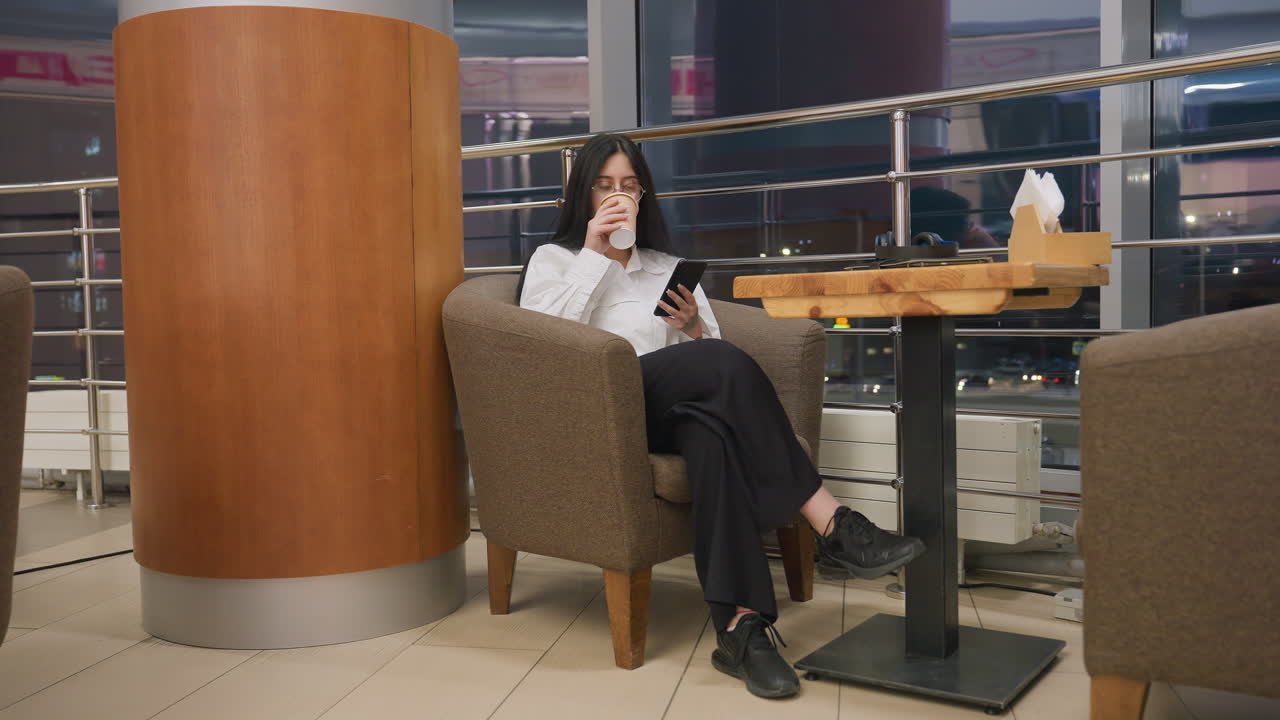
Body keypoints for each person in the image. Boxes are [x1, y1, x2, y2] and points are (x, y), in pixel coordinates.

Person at [517, 133, 925, 699]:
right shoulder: (555, 260)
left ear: (645, 195)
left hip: (672, 409)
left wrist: (692, 329)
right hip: (598, 412)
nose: (619, 197)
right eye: (605, 186)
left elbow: (716, 357)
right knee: (714, 364)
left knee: (712, 431)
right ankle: (830, 521)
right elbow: (545, 346)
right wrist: (595, 254)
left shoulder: (664, 265)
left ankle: (742, 629)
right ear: (582, 196)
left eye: (630, 186)